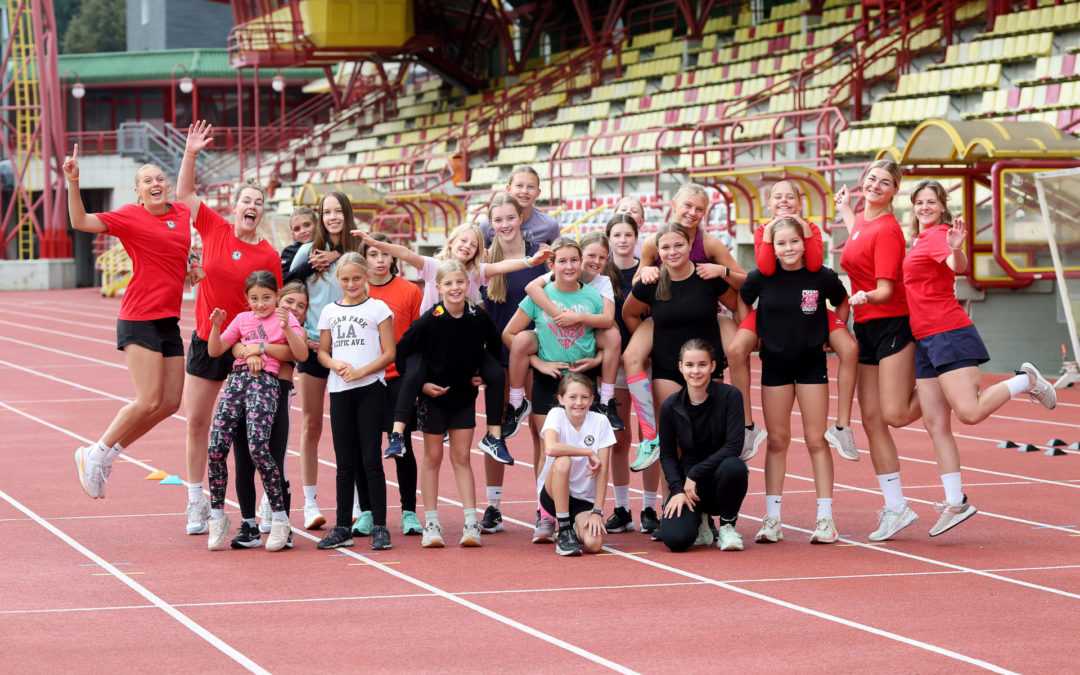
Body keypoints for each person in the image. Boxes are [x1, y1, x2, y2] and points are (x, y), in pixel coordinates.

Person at [902, 179, 1057, 536]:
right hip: (924, 338)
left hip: (946, 332)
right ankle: (955, 502)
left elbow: (956, 265)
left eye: (931, 201)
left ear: (942, 206)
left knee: (968, 413)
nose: (924, 206)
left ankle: (1026, 380)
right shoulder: (918, 240)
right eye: (919, 202)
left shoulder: (941, 233)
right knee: (934, 424)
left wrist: (956, 248)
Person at [357, 223, 551, 465]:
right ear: (451, 243)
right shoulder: (433, 267)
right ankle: (397, 433)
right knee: (414, 374)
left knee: (496, 375)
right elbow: (405, 254)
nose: (467, 247)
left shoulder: (476, 272)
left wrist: (530, 262)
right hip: (429, 342)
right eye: (463, 241)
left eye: (473, 244)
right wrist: (375, 244)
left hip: (461, 343)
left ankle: (494, 436)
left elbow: (501, 266)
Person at [176, 121, 283, 536]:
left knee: (249, 434)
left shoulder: (268, 255)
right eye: (246, 200)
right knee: (197, 422)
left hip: (248, 353)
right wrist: (191, 153)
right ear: (235, 207)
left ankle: (265, 505)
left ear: (262, 211)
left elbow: (273, 305)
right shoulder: (214, 228)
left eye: (259, 201)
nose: (251, 206)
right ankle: (195, 501)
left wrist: (264, 348)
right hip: (208, 339)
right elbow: (183, 195)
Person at [66, 147, 190, 499]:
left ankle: (106, 455)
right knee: (148, 399)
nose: (156, 183)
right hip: (138, 317)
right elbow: (81, 222)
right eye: (147, 180)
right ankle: (95, 452)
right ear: (137, 192)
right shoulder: (129, 217)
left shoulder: (181, 213)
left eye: (159, 179)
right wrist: (74, 182)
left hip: (168, 319)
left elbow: (181, 245)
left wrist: (193, 261)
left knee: (169, 404)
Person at [724, 180, 860, 462]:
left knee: (849, 349)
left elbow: (813, 264)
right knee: (736, 350)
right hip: (771, 309)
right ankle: (748, 425)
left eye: (791, 197)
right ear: (769, 205)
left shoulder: (810, 229)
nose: (784, 201)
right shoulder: (763, 230)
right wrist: (750, 328)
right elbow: (764, 267)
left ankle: (843, 425)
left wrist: (834, 331)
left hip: (810, 307)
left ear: (800, 204)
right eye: (778, 197)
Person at [623, 184, 746, 487]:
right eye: (687, 206)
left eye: (699, 209)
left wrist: (747, 332)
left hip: (704, 325)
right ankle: (655, 454)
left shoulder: (710, 250)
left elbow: (743, 289)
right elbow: (634, 299)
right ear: (674, 204)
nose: (692, 213)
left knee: (737, 351)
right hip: (665, 330)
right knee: (673, 434)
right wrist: (652, 334)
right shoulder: (654, 246)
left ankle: (747, 423)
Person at [740, 217, 850, 545]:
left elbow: (842, 301)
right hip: (774, 366)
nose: (788, 248)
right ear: (771, 248)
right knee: (777, 441)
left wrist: (836, 332)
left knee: (817, 440)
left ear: (805, 243)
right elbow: (743, 301)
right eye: (781, 243)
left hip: (811, 366)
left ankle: (826, 519)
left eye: (793, 242)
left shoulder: (822, 277)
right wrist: (753, 329)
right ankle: (772, 520)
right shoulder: (760, 278)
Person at [837, 159, 924, 541]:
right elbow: (857, 237)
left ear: (894, 191)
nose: (875, 185)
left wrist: (862, 295)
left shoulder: (888, 230)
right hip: (867, 326)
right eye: (871, 178)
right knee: (871, 419)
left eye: (885, 182)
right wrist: (843, 208)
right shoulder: (862, 221)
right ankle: (896, 508)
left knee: (896, 414)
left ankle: (949, 390)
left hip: (891, 321)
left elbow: (887, 290)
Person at [502, 237, 607, 543]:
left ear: (581, 262)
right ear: (551, 266)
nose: (570, 266)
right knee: (548, 450)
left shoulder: (592, 298)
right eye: (562, 261)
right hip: (550, 379)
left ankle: (582, 509)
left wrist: (598, 359)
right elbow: (510, 334)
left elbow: (608, 336)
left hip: (581, 381)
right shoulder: (539, 296)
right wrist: (537, 362)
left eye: (574, 260)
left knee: (587, 443)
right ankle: (545, 515)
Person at [395, 260, 503, 548]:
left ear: (468, 284)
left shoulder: (478, 317)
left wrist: (482, 373)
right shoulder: (429, 320)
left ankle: (471, 522)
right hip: (434, 398)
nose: (455, 288)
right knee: (432, 459)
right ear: (438, 287)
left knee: (462, 458)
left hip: (463, 397)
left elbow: (494, 345)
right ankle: (431, 523)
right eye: (448, 283)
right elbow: (402, 352)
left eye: (460, 282)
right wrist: (420, 385)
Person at [203, 271, 309, 551]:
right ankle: (217, 516)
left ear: (276, 296)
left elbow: (301, 354)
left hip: (266, 383)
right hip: (236, 382)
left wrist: (278, 335)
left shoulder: (286, 318)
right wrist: (216, 327)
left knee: (259, 449)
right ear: (246, 299)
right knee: (215, 448)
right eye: (254, 298)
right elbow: (216, 350)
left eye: (266, 297)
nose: (260, 304)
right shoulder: (241, 319)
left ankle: (279, 518)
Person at [479, 193, 555, 534]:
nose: (506, 225)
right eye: (499, 220)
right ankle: (493, 507)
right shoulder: (483, 260)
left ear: (520, 219)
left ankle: (545, 506)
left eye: (511, 218)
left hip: (535, 353)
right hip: (496, 355)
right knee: (495, 432)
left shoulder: (539, 257)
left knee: (542, 431)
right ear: (491, 224)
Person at [288, 190, 363, 530]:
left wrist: (338, 255)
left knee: (352, 430)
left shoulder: (359, 248)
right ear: (320, 216)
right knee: (312, 425)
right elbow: (290, 291)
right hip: (316, 350)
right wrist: (302, 334)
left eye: (338, 211)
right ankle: (309, 502)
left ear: (347, 214)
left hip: (353, 350)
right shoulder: (307, 252)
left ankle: (358, 503)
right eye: (327, 212)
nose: (333, 217)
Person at [314, 252, 396, 550]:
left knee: (371, 460)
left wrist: (362, 371)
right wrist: (336, 365)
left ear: (366, 278)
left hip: (370, 390)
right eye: (345, 279)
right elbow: (323, 352)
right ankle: (341, 527)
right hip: (340, 393)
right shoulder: (329, 312)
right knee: (345, 463)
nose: (351, 284)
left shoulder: (378, 308)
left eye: (356, 278)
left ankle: (380, 527)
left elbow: (389, 353)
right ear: (339, 280)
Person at [354, 231, 424, 537]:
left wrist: (417, 383)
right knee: (365, 450)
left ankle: (408, 511)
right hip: (365, 380)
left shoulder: (409, 292)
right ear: (363, 259)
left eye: (384, 254)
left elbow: (419, 340)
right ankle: (367, 511)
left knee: (402, 447)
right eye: (372, 254)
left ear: (393, 256)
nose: (380, 260)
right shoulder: (355, 291)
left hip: (398, 380)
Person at [515, 231, 623, 430]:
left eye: (602, 257)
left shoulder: (599, 287)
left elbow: (608, 322)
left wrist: (577, 318)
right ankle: (515, 405)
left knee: (613, 335)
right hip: (549, 361)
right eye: (591, 256)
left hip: (582, 364)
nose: (596, 262)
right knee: (547, 443)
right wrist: (558, 315)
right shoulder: (552, 278)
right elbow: (531, 288)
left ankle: (606, 401)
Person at [232, 281, 309, 548]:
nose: (294, 309)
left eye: (301, 306)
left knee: (274, 459)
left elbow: (296, 354)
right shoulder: (253, 319)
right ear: (279, 299)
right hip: (244, 390)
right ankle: (248, 526)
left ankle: (282, 524)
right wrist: (246, 350)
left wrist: (260, 348)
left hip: (277, 392)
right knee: (243, 458)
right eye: (289, 302)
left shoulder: (290, 329)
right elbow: (237, 344)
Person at [658, 339, 748, 552]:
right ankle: (701, 521)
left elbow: (734, 446)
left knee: (735, 466)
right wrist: (678, 489)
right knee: (676, 541)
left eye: (702, 364)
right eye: (689, 365)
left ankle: (727, 527)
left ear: (713, 366)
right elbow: (668, 455)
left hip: (718, 479)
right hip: (689, 488)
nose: (695, 371)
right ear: (680, 367)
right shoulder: (670, 406)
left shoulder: (731, 396)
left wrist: (695, 474)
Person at [538, 372, 616, 556]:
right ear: (561, 399)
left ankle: (574, 526)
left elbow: (603, 472)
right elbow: (550, 448)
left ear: (592, 399)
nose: (579, 403)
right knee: (563, 461)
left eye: (584, 397)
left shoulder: (601, 422)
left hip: (583, 501)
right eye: (572, 397)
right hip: (553, 494)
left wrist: (597, 511)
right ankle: (564, 529)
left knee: (593, 544)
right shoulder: (555, 414)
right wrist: (588, 451)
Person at [601, 214, 646, 534]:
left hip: (646, 363)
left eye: (628, 234)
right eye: (616, 234)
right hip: (613, 365)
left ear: (636, 236)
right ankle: (621, 507)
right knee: (618, 438)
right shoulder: (600, 274)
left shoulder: (648, 270)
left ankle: (651, 508)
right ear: (609, 238)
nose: (623, 240)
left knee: (651, 436)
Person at [478, 165, 560, 247]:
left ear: (538, 193)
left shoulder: (549, 225)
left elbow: (559, 256)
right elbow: (478, 256)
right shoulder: (488, 225)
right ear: (509, 189)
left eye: (531, 187)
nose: (525, 191)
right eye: (519, 186)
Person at [281, 206, 317, 282]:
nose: (303, 231)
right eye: (297, 229)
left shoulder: (328, 245)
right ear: (293, 234)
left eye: (307, 225)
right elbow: (284, 279)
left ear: (317, 225)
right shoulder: (288, 252)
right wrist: (312, 264)